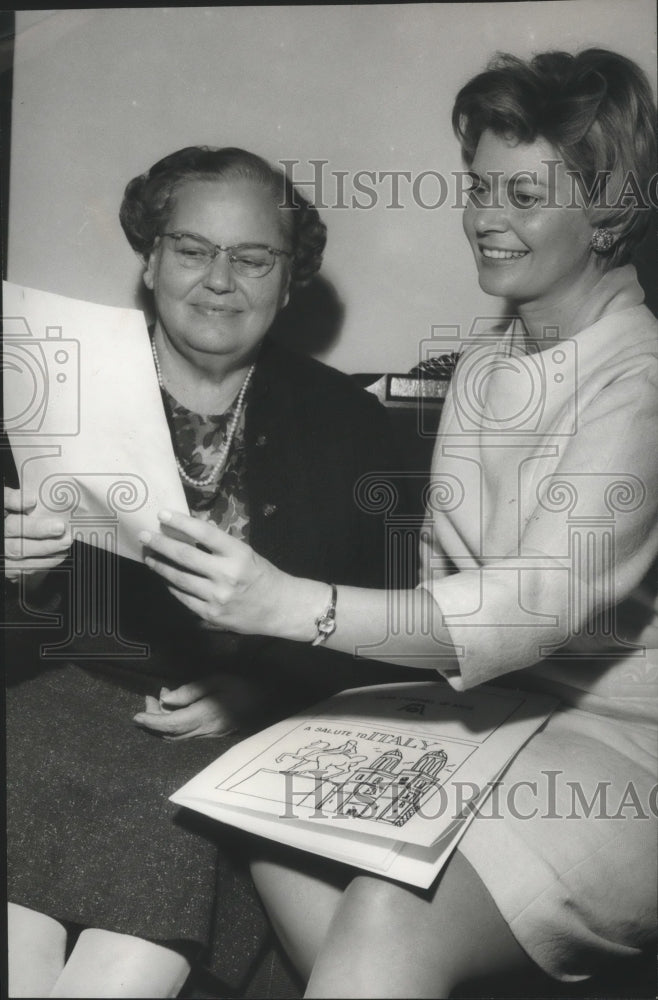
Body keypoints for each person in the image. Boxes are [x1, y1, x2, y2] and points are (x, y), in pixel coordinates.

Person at [140, 50, 658, 997]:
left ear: (610, 209)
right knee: (257, 803)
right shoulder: (484, 366)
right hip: (476, 720)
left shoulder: (642, 379)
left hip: (620, 746)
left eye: (523, 194)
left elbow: (526, 612)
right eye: (476, 186)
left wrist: (289, 606)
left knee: (387, 910)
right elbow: (431, 598)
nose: (483, 218)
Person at [4, 146, 420, 998]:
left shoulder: (355, 427)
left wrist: (261, 694)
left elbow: (395, 626)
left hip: (226, 749)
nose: (219, 280)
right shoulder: (45, 387)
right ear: (151, 259)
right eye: (192, 250)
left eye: (253, 257)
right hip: (43, 711)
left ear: (290, 276)